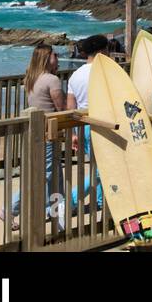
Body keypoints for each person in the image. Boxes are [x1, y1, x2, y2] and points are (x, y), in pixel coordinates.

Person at [2, 44, 68, 229]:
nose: (59, 58)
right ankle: (10, 209)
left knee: (54, 175)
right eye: (56, 55)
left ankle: (54, 213)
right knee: (44, 175)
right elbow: (61, 108)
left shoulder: (31, 78)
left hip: (35, 132)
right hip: (48, 132)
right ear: (47, 58)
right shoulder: (52, 80)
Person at [65, 35, 109, 209]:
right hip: (103, 124)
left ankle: (99, 203)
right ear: (102, 51)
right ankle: (69, 202)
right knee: (101, 170)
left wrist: (74, 133)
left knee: (97, 166)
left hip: (83, 126)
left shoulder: (75, 75)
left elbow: (71, 106)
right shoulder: (105, 71)